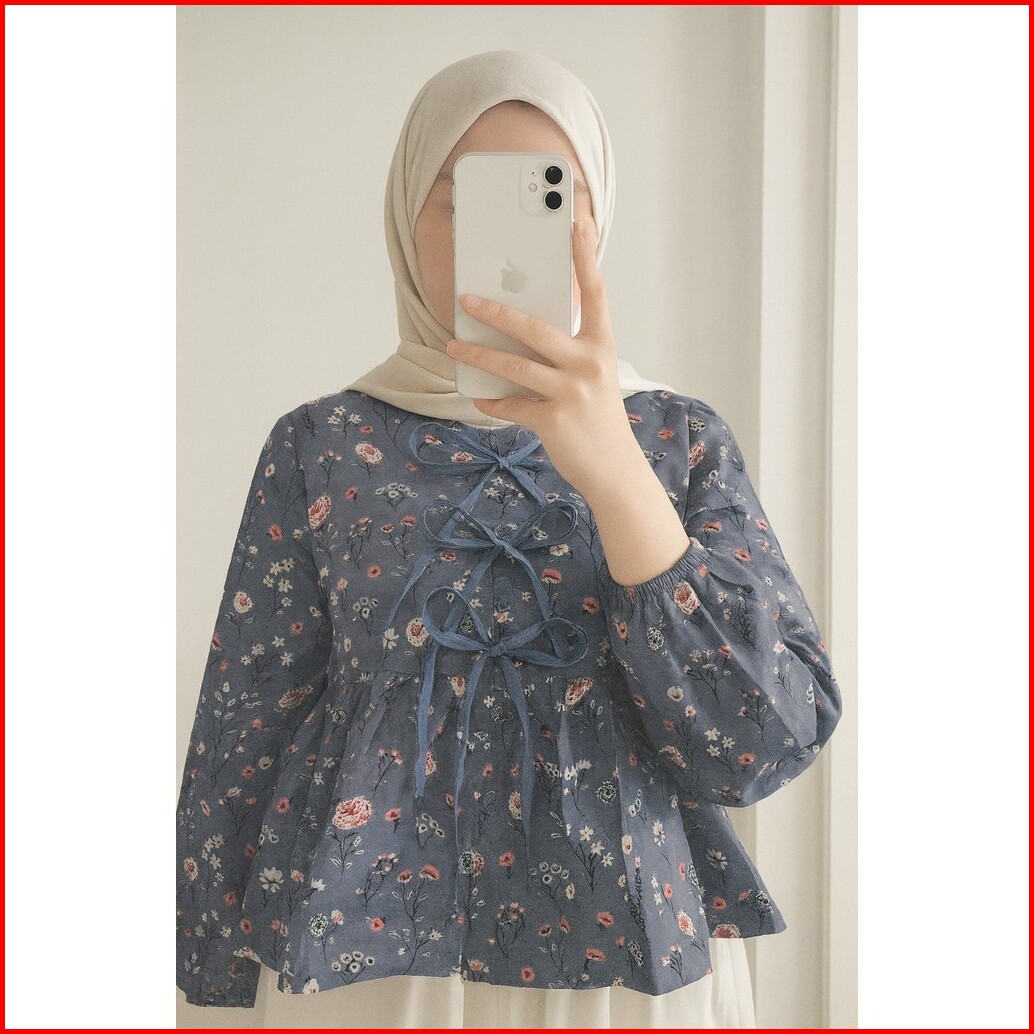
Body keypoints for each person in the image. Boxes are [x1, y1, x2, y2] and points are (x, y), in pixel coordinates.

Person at [175, 50, 841, 1028]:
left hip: (626, 968)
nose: (506, 236)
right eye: (464, 200)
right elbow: (245, 726)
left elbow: (759, 744)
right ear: (403, 218)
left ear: (597, 222)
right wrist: (206, 976)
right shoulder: (320, 444)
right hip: (369, 967)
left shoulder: (677, 439)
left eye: (550, 195)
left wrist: (615, 471)